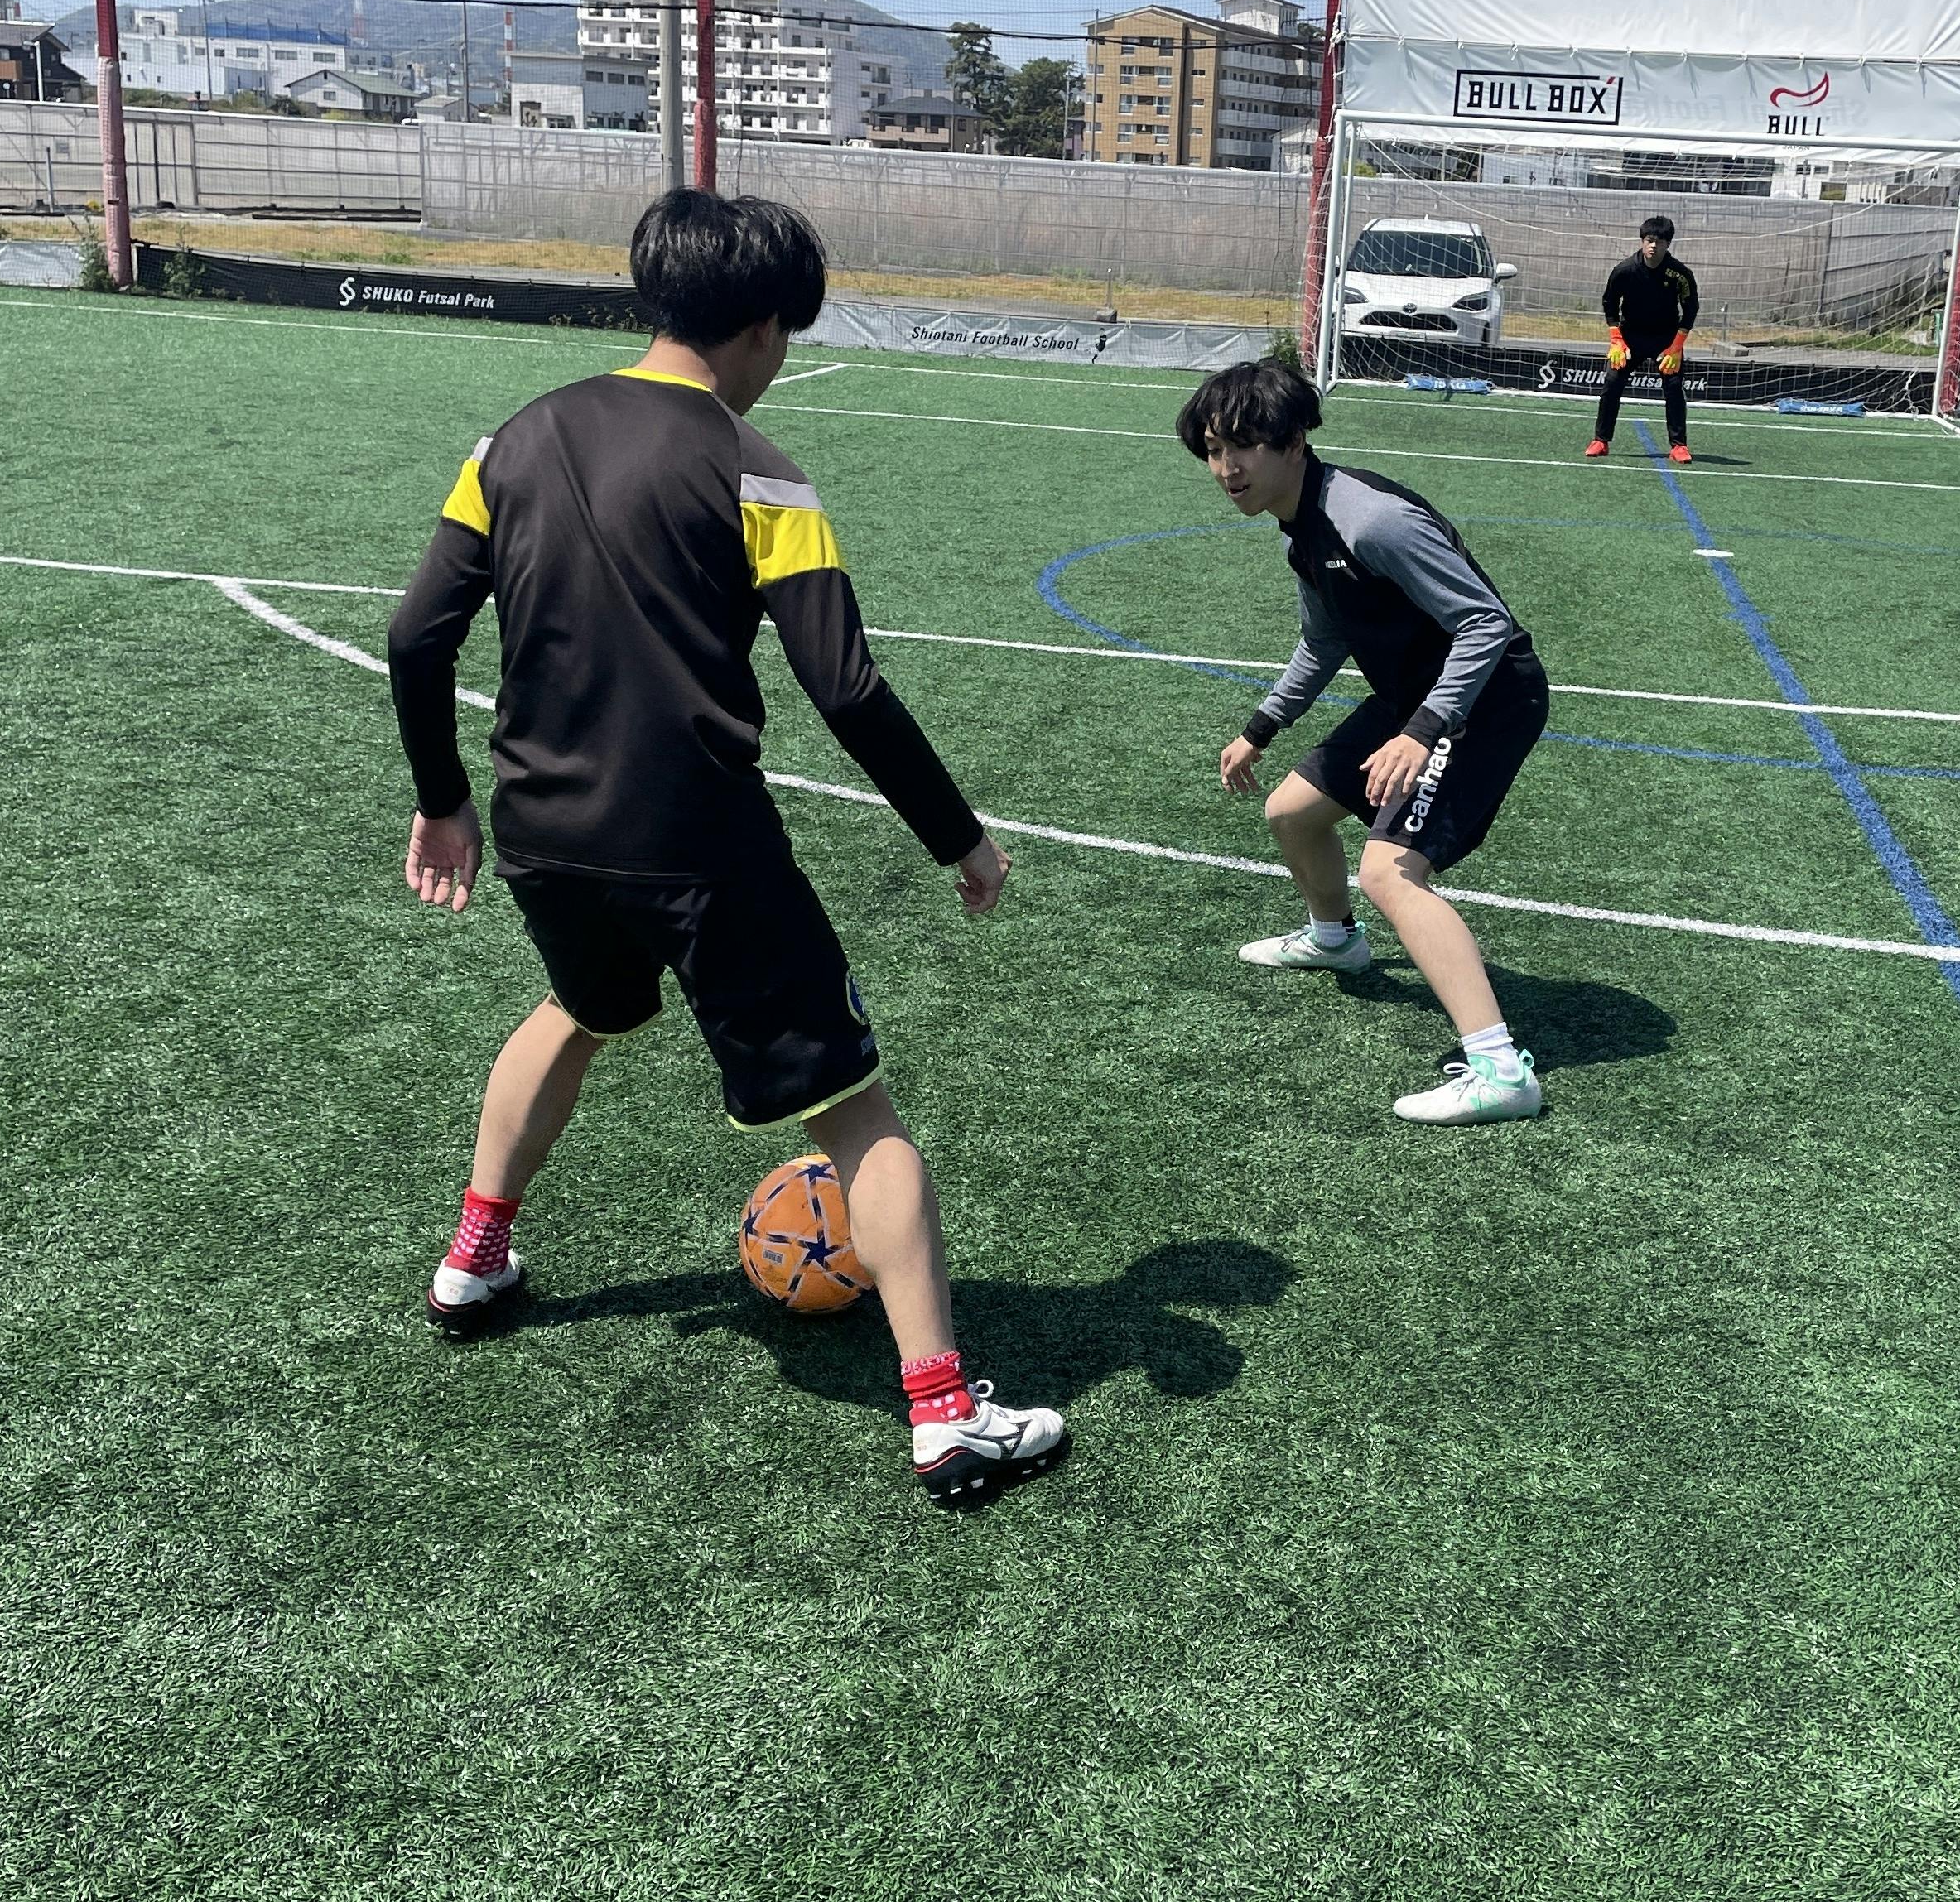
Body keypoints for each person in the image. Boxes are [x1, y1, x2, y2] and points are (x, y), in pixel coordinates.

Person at [386, 187, 1066, 1506]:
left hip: (541, 827)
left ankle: (473, 1258)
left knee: (582, 1008)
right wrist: (960, 838)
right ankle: (944, 1413)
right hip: (700, 841)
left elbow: (416, 637)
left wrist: (441, 797)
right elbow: (846, 686)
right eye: (787, 335)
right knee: (854, 1104)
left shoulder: (512, 438)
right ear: (762, 324)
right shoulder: (757, 465)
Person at [1177, 359, 1552, 1125]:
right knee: (1291, 812)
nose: (1226, 468)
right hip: (1415, 699)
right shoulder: (1301, 531)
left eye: (1242, 445)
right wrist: (1260, 727)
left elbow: (1486, 623)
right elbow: (1323, 641)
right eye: (1213, 450)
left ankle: (1499, 1069)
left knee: (1391, 871)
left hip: (1486, 699)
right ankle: (1335, 939)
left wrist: (1423, 730)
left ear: (1293, 442)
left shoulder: (1372, 520)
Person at [1586, 214, 1699, 461]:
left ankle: (1679, 446)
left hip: (1666, 339)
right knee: (1612, 382)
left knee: (1673, 387)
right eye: (1649, 240)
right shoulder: (1624, 270)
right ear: (1642, 241)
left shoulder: (1680, 274)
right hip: (1630, 337)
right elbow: (1609, 303)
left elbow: (1690, 309)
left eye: (1660, 241)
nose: (1653, 246)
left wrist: (1677, 347)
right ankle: (1601, 440)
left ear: (1668, 244)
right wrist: (1616, 339)